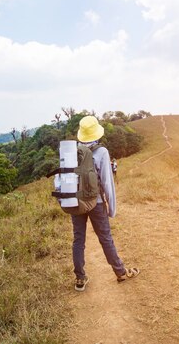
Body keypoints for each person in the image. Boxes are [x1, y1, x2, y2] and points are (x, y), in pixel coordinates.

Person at [72, 115, 140, 292]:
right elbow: (107, 182)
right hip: (96, 202)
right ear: (96, 133)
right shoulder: (101, 152)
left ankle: (80, 278)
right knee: (105, 238)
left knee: (78, 239)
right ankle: (120, 272)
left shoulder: (73, 151)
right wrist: (112, 208)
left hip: (76, 202)